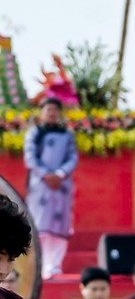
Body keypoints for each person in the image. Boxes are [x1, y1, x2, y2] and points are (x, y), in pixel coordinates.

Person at [24, 99, 77, 280]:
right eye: (48, 109)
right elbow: (30, 157)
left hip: (62, 186)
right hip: (41, 185)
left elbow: (72, 157)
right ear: (42, 112)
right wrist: (46, 175)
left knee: (60, 226)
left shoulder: (67, 134)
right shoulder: (34, 133)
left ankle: (54, 265)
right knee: (40, 225)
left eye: (55, 109)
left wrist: (60, 174)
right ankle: (41, 264)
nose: (52, 113)